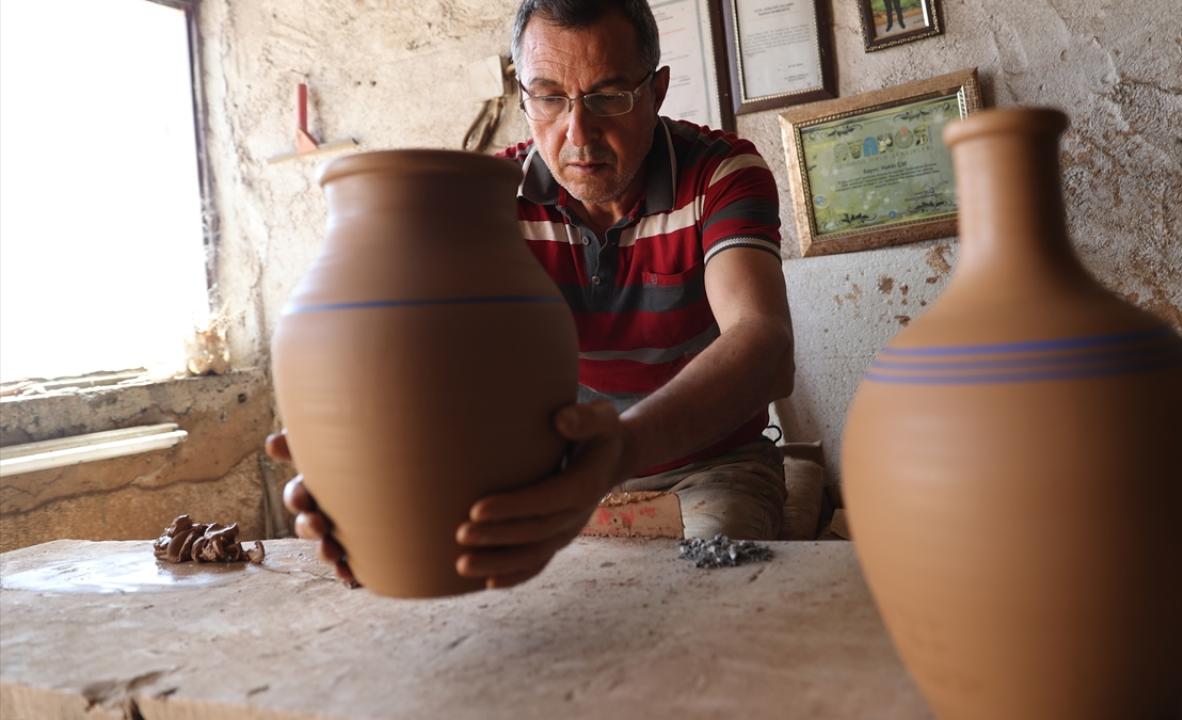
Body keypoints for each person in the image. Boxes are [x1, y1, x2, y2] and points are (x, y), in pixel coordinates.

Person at [267, 0, 795, 590]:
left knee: (715, 595)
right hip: (541, 473)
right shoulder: (484, 200)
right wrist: (352, 457)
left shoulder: (720, 174)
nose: (578, 132)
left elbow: (763, 344)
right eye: (548, 97)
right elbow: (423, 365)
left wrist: (619, 451)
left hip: (707, 468)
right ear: (523, 96)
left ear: (657, 92)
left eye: (608, 96)